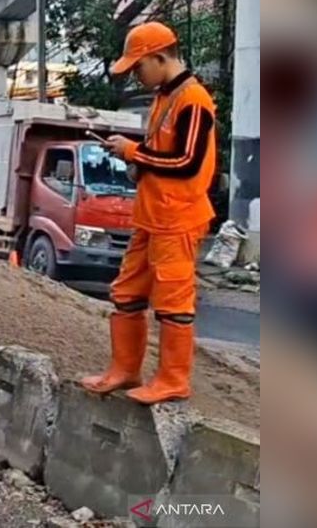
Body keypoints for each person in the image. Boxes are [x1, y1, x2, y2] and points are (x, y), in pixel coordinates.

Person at [80, 22, 217, 405]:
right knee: (126, 294)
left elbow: (187, 162)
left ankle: (173, 379)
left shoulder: (194, 99)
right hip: (151, 215)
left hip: (178, 219)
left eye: (139, 67)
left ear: (160, 57)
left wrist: (134, 152)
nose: (137, 76)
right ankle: (125, 369)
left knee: (173, 302)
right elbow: (165, 156)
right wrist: (136, 157)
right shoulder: (164, 97)